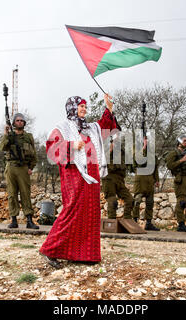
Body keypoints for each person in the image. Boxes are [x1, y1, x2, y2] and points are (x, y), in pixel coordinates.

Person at [40, 93, 117, 268]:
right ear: (72, 108)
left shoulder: (90, 128)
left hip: (92, 177)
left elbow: (105, 125)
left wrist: (108, 108)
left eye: (85, 106)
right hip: (74, 176)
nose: (84, 109)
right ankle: (50, 250)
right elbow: (51, 148)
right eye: (81, 106)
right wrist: (71, 146)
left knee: (89, 214)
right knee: (72, 211)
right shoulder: (62, 128)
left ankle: (84, 255)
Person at [0, 113, 38, 229]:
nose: (20, 122)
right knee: (12, 194)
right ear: (14, 123)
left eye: (22, 120)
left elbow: (34, 153)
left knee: (25, 193)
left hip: (24, 168)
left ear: (24, 123)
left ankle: (29, 221)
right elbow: (2, 147)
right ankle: (14, 220)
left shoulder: (28, 137)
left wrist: (31, 167)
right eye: (17, 120)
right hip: (11, 166)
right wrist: (6, 133)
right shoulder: (10, 135)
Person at [102, 133, 134, 220]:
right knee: (113, 202)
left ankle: (127, 221)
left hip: (120, 179)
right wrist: (110, 149)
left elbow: (129, 164)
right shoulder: (105, 148)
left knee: (130, 199)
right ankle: (111, 223)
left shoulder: (122, 151)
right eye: (115, 139)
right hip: (109, 178)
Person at [131, 136, 160, 231]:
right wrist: (143, 147)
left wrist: (157, 180)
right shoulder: (137, 152)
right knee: (137, 201)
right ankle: (134, 221)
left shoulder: (152, 155)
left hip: (149, 180)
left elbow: (155, 169)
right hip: (140, 180)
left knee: (150, 202)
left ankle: (148, 223)